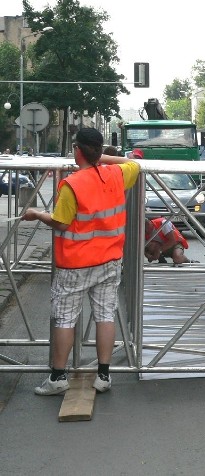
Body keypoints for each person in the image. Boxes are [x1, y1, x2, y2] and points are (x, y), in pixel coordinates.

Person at [21, 127, 142, 396]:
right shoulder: (117, 175)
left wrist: (37, 214)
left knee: (65, 319)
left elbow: (61, 223)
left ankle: (58, 378)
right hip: (109, 260)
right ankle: (103, 376)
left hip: (75, 263)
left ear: (77, 150)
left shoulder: (72, 185)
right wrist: (103, 159)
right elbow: (134, 163)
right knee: (105, 316)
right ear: (99, 151)